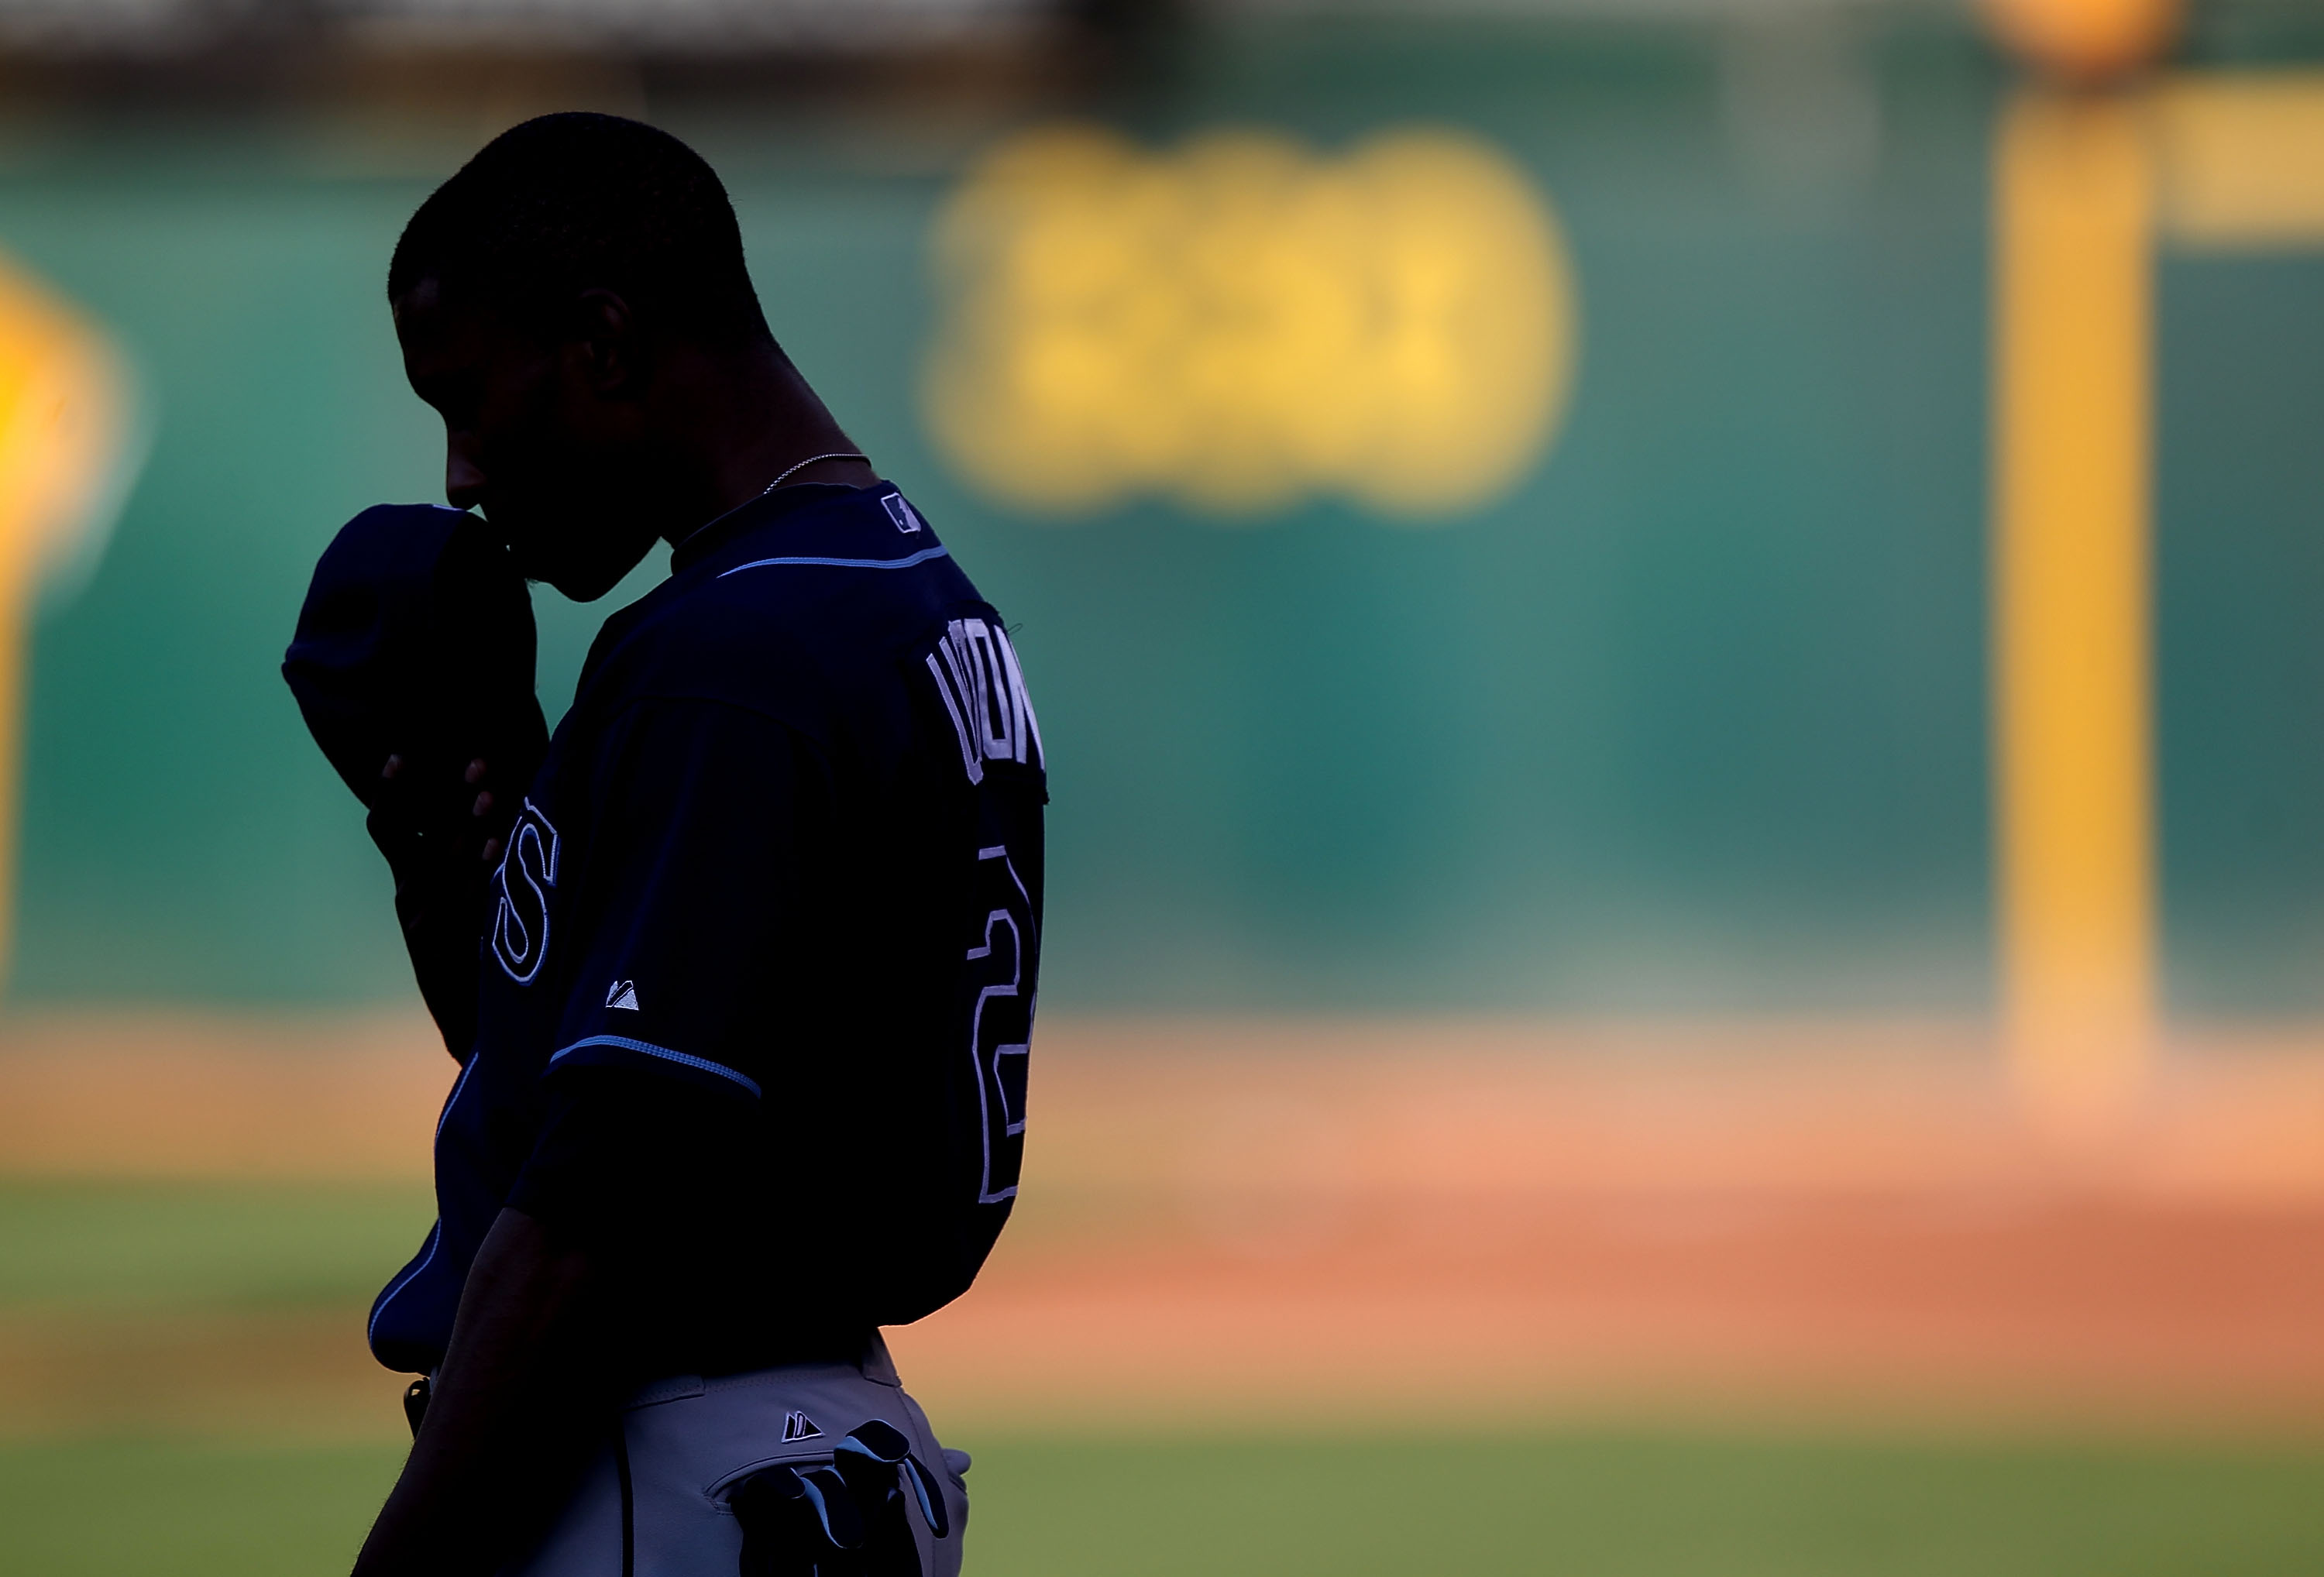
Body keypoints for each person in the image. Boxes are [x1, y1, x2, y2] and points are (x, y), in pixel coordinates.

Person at [293, 112, 1045, 1577]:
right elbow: (573, 1077)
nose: (458, 475)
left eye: (468, 400)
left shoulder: (731, 658)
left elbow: (595, 1208)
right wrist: (444, 844)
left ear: (604, 344)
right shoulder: (900, 592)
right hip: (799, 1441)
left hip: (668, 1467)